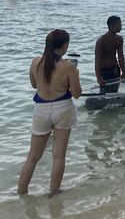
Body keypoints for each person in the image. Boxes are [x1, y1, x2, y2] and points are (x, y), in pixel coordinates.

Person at [18, 29, 82, 196]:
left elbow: (34, 85)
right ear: (65, 45)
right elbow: (76, 94)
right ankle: (54, 192)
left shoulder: (36, 62)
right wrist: (76, 75)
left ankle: (21, 192)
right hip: (63, 109)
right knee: (58, 155)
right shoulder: (68, 66)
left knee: (33, 156)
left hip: (41, 109)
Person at [95, 16, 125, 93]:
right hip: (104, 71)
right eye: (119, 24)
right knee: (103, 94)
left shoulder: (119, 39)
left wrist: (124, 72)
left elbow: (121, 56)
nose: (121, 26)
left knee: (114, 92)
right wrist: (98, 77)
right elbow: (97, 61)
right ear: (111, 25)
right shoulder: (101, 41)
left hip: (115, 70)